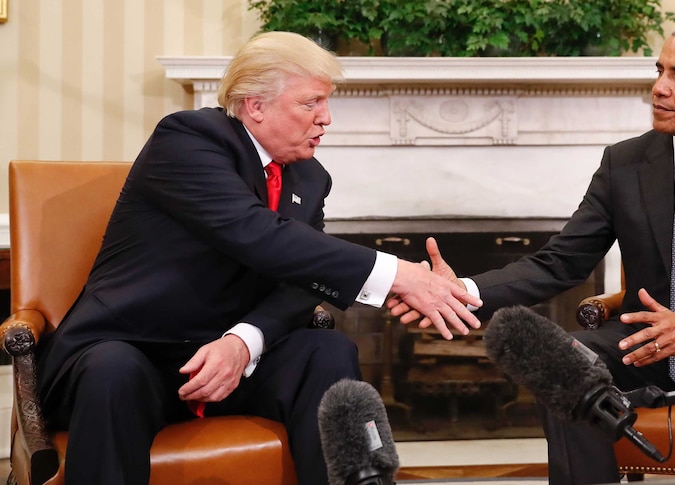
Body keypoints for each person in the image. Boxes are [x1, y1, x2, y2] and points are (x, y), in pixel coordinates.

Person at [388, 20, 675, 484]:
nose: (659, 88)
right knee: (564, 358)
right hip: (646, 348)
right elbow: (561, 261)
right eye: (659, 71)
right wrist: (463, 290)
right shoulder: (625, 163)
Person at [34, 31, 482, 485]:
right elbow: (257, 234)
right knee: (113, 370)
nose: (326, 119)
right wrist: (399, 275)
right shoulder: (188, 140)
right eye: (311, 103)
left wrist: (243, 342)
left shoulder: (309, 178)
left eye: (326, 104)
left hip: (231, 362)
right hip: (135, 350)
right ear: (256, 105)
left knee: (328, 351)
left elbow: (301, 279)